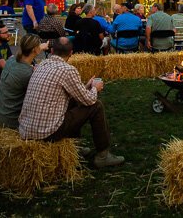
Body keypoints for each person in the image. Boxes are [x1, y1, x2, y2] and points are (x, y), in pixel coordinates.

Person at [18, 37, 124, 168]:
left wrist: (86, 87)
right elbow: (89, 100)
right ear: (71, 53)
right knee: (96, 106)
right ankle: (103, 155)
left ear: (52, 51)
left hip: (26, 129)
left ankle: (75, 147)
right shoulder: (67, 70)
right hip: (47, 132)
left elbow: (76, 95)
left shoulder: (41, 65)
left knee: (75, 101)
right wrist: (95, 89)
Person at [0, 34, 47, 129]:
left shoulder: (11, 61)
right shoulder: (28, 73)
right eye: (39, 45)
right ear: (34, 49)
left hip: (0, 116)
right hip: (13, 122)